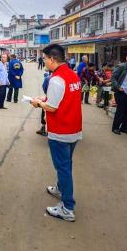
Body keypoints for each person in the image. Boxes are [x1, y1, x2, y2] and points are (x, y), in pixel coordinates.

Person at [30, 44, 82, 222]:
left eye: (44, 58)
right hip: (74, 128)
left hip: (61, 131)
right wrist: (45, 98)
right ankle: (60, 189)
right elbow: (63, 98)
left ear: (52, 59)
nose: (43, 61)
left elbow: (52, 107)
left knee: (63, 167)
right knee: (66, 164)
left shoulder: (56, 79)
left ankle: (68, 208)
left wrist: (38, 103)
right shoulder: (72, 75)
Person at [111, 51, 127, 135]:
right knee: (120, 111)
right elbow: (113, 77)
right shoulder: (121, 66)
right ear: (126, 58)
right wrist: (118, 87)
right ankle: (115, 128)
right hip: (121, 92)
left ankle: (124, 128)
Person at [36, 70, 51, 137]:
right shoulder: (72, 75)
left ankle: (44, 128)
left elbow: (44, 88)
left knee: (44, 110)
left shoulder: (48, 78)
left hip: (50, 99)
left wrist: (39, 102)